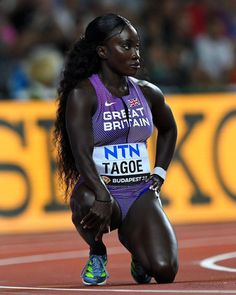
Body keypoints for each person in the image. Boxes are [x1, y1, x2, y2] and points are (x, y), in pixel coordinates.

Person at [54, 13, 178, 286]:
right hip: (100, 189)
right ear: (102, 51)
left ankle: (138, 251)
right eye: (126, 46)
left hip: (140, 192)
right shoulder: (83, 94)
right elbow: (81, 152)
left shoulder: (148, 93)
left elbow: (169, 129)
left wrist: (159, 174)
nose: (136, 55)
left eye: (137, 47)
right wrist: (100, 192)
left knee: (164, 271)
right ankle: (97, 251)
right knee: (85, 202)